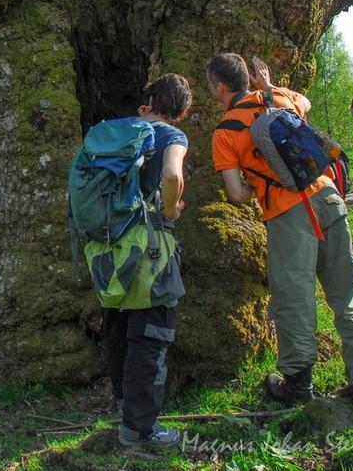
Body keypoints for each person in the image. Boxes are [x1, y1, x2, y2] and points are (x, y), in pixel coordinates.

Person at [207, 54, 353, 404]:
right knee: (347, 291)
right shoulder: (282, 99)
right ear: (249, 80)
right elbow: (307, 103)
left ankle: (298, 385)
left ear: (220, 87)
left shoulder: (225, 132)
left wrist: (262, 181)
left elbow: (237, 194)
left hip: (288, 214)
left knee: (294, 298)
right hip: (328, 197)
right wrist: (269, 87)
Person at [107, 74, 191, 450]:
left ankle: (125, 405)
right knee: (151, 329)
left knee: (118, 322)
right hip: (149, 245)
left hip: (108, 245)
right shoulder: (171, 136)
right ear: (182, 110)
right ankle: (140, 428)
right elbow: (172, 174)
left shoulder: (120, 131)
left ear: (149, 101)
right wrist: (171, 208)